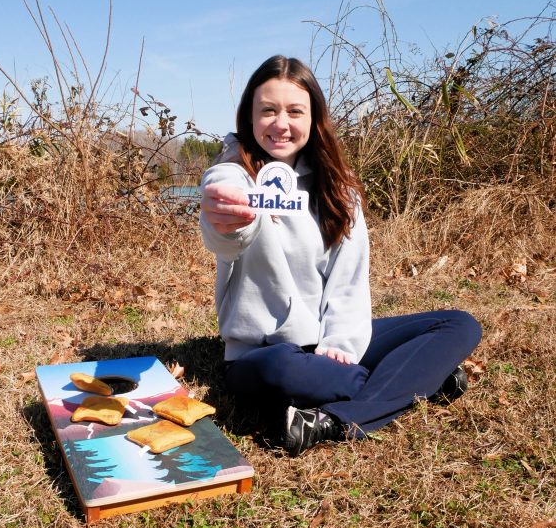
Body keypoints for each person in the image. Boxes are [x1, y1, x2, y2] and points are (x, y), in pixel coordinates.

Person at [200, 55, 482, 456]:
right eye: (268, 110)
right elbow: (226, 234)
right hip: (264, 353)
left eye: (294, 110)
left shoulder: (339, 190)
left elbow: (349, 279)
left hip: (329, 342)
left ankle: (335, 419)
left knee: (458, 324)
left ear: (313, 117)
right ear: (249, 116)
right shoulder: (233, 173)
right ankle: (420, 379)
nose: (281, 123)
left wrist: (341, 343)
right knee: (281, 370)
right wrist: (229, 218)